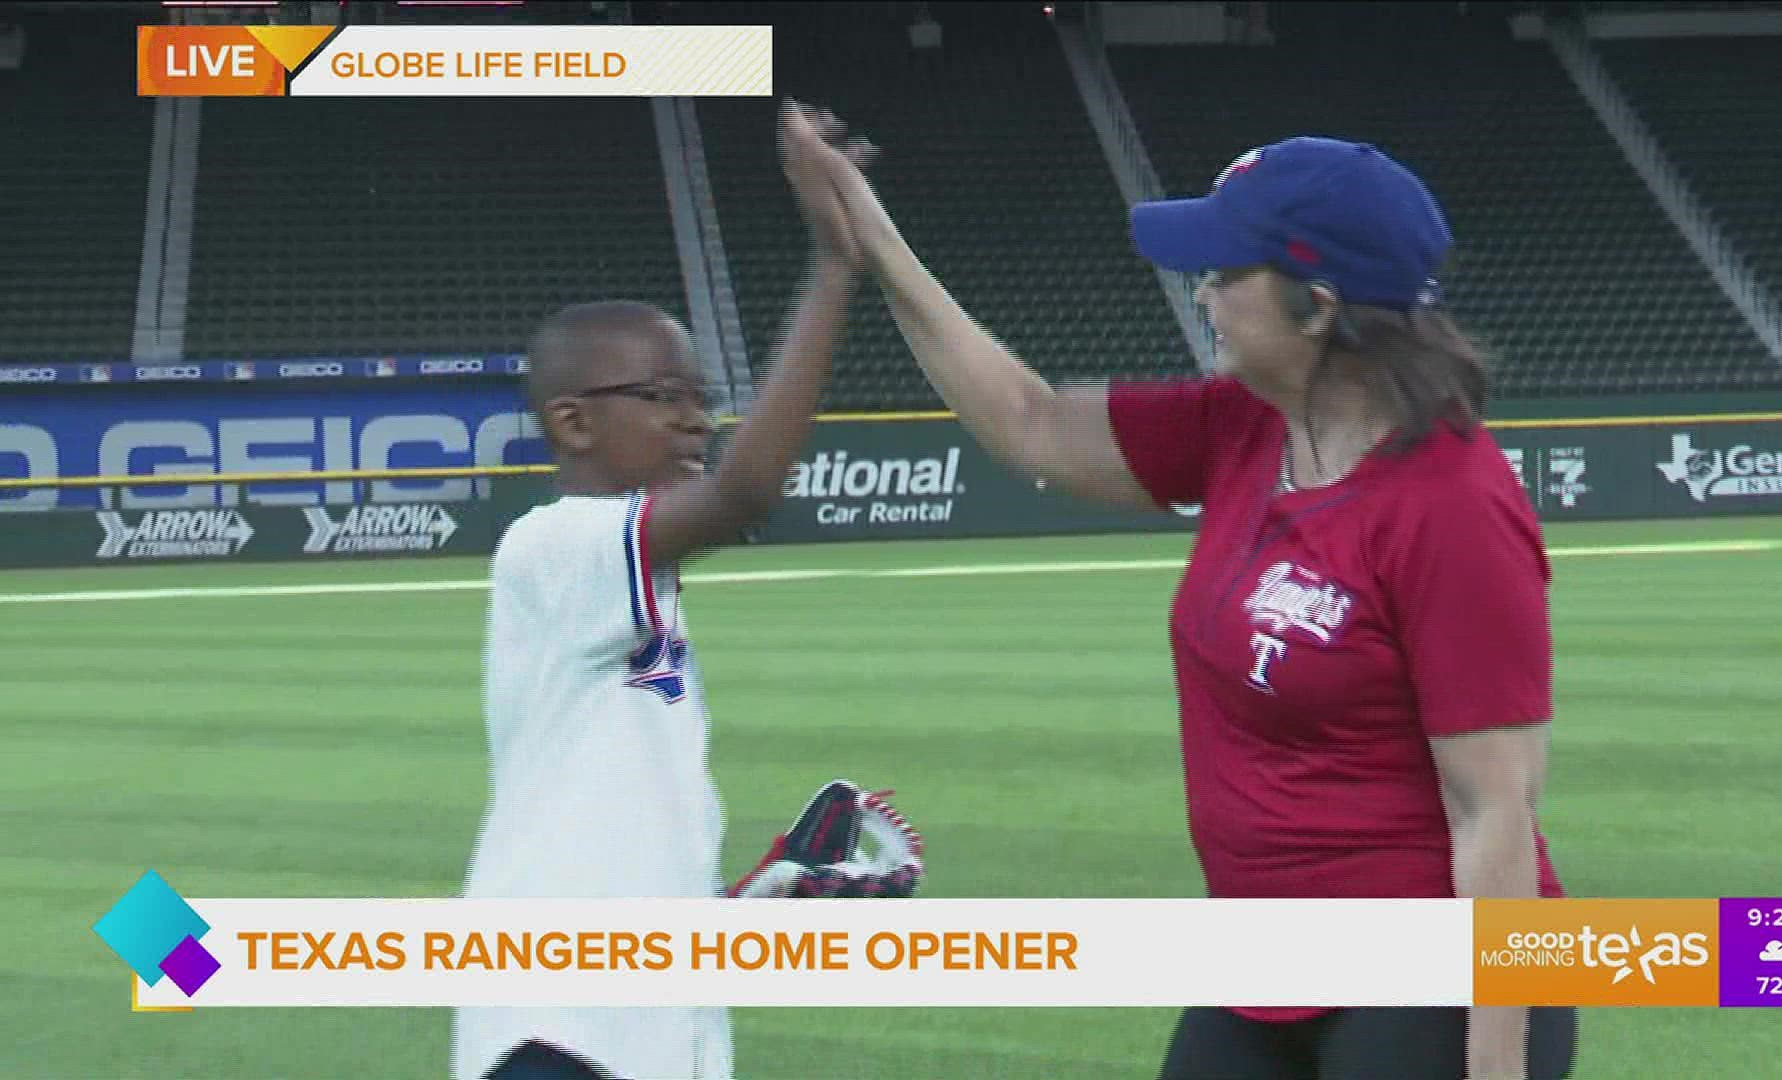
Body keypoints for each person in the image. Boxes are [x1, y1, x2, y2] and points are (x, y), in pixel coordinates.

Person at [779, 114, 1578, 1079]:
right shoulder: (1244, 427)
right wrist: (865, 235)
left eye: (1224, 271)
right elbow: (1031, 424)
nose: (1201, 291)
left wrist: (1495, 1067)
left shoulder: (1450, 503)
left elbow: (1492, 812)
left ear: (1316, 307)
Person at [451, 103, 874, 1080]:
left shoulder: (632, 578)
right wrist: (833, 268)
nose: (697, 419)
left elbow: (610, 814)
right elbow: (746, 493)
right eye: (663, 396)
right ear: (572, 422)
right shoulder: (556, 545)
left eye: (701, 395)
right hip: (560, 1025)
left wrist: (734, 907)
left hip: (631, 1017)